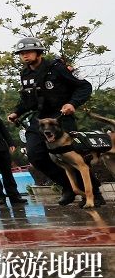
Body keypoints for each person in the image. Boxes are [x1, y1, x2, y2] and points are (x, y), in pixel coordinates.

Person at [7, 37, 104, 206]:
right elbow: (28, 100)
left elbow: (83, 86)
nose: (25, 56)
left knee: (71, 157)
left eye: (28, 52)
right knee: (35, 155)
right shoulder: (25, 74)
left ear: (38, 52)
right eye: (21, 53)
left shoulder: (56, 68)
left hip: (60, 118)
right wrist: (17, 112)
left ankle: (94, 192)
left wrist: (72, 103)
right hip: (40, 120)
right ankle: (68, 187)